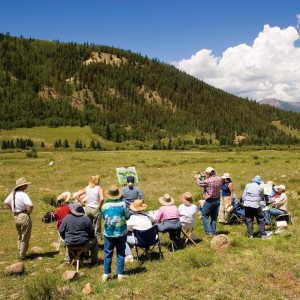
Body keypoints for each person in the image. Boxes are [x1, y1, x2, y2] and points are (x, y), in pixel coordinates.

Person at [102, 184, 130, 282]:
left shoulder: (105, 206)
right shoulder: (123, 205)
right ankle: (120, 274)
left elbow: (103, 217)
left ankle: (106, 274)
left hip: (108, 233)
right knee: (120, 253)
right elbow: (128, 216)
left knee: (107, 252)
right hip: (121, 232)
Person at [59, 202, 98, 266]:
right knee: (95, 240)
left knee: (68, 241)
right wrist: (89, 237)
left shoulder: (67, 218)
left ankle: (68, 260)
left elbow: (61, 230)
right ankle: (93, 261)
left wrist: (65, 237)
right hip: (83, 244)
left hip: (70, 243)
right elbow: (92, 232)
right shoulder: (86, 219)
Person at [3, 178, 33, 261]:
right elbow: (31, 205)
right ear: (21, 186)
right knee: (25, 237)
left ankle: (19, 253)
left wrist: (12, 209)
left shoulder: (13, 194)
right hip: (23, 215)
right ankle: (22, 256)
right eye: (25, 184)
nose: (27, 186)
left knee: (20, 236)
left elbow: (5, 203)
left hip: (16, 216)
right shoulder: (23, 194)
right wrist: (29, 213)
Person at [194, 167, 222, 236]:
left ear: (208, 173)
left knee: (204, 216)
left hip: (209, 200)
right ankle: (213, 232)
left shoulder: (208, 181)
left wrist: (197, 178)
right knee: (214, 217)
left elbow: (200, 183)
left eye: (206, 173)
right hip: (217, 200)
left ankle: (209, 232)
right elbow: (207, 184)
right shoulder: (219, 178)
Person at [76, 175, 104, 241]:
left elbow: (77, 196)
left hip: (88, 207)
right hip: (95, 208)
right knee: (96, 226)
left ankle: (88, 239)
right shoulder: (99, 188)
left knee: (88, 225)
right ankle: (96, 241)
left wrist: (83, 203)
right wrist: (100, 205)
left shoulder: (87, 188)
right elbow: (102, 199)